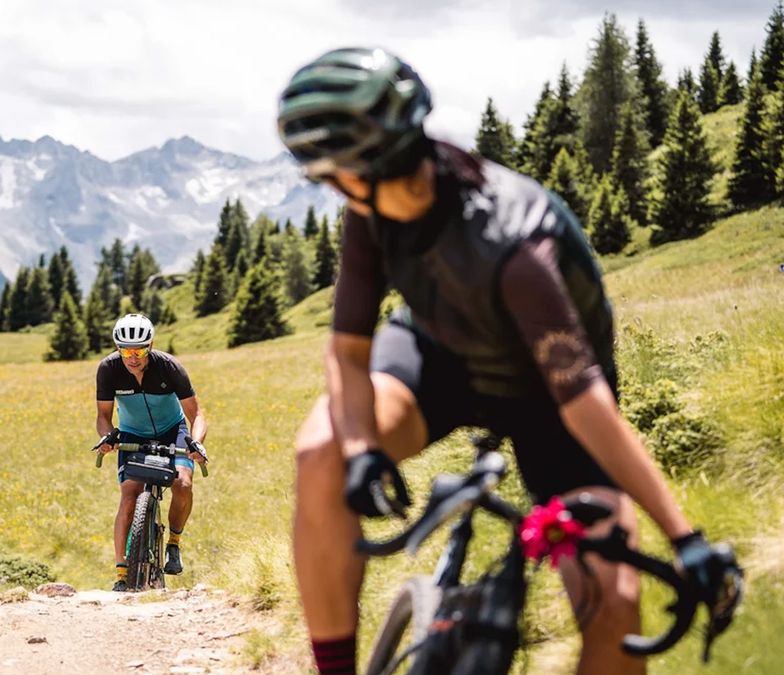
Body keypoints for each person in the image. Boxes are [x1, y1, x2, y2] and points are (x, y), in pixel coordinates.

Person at [276, 47, 741, 674]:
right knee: (321, 450)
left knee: (615, 605)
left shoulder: (515, 245)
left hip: (551, 399)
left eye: (330, 175)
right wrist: (360, 451)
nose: (333, 190)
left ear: (369, 167)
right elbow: (348, 353)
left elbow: (585, 404)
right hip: (435, 356)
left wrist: (685, 541)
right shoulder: (372, 212)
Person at [95, 314, 208, 591]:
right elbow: (103, 416)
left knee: (183, 482)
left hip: (173, 430)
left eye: (139, 350)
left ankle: (173, 544)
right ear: (117, 347)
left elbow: (198, 414)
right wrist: (107, 437)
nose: (132, 357)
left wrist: (197, 442)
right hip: (133, 433)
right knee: (129, 494)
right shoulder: (109, 369)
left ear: (151, 345)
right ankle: (122, 573)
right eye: (125, 350)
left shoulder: (169, 367)